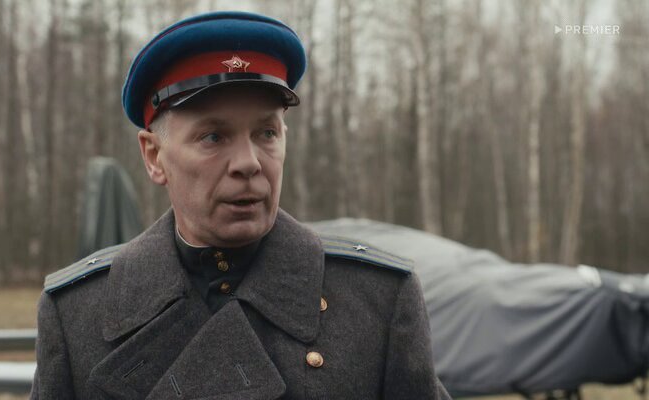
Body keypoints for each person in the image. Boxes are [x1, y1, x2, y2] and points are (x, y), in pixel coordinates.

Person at [31, 11, 451, 399]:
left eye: (266, 133)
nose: (249, 163)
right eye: (213, 137)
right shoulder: (78, 314)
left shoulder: (376, 301)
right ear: (154, 157)